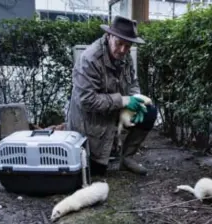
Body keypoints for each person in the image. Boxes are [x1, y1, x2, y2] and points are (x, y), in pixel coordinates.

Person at [66, 15, 157, 176]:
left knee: (149, 111)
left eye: (127, 46)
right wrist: (123, 101)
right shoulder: (90, 59)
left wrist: (136, 99)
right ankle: (97, 158)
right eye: (119, 43)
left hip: (114, 111)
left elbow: (133, 83)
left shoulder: (125, 56)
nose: (123, 50)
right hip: (90, 122)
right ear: (109, 36)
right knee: (96, 171)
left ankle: (126, 158)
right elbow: (86, 101)